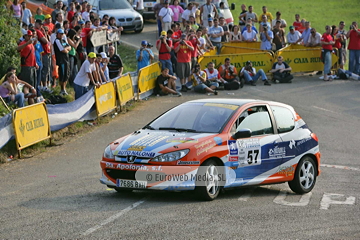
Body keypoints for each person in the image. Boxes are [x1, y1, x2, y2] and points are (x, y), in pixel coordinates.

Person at [17, 30, 37, 105]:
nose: (29, 37)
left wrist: (35, 64)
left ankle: (32, 102)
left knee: (32, 84)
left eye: (30, 36)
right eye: (28, 36)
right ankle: (29, 102)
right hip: (26, 67)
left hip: (32, 67)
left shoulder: (31, 44)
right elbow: (18, 48)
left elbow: (33, 55)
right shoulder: (23, 43)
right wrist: (27, 44)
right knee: (27, 85)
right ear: (25, 36)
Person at [53, 28, 71, 95]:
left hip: (66, 59)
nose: (61, 35)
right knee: (62, 74)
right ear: (57, 34)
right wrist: (66, 49)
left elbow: (69, 47)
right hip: (61, 60)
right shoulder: (57, 41)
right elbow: (62, 50)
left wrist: (66, 49)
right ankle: (62, 89)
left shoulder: (63, 40)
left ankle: (64, 89)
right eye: (60, 34)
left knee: (66, 74)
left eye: (62, 34)